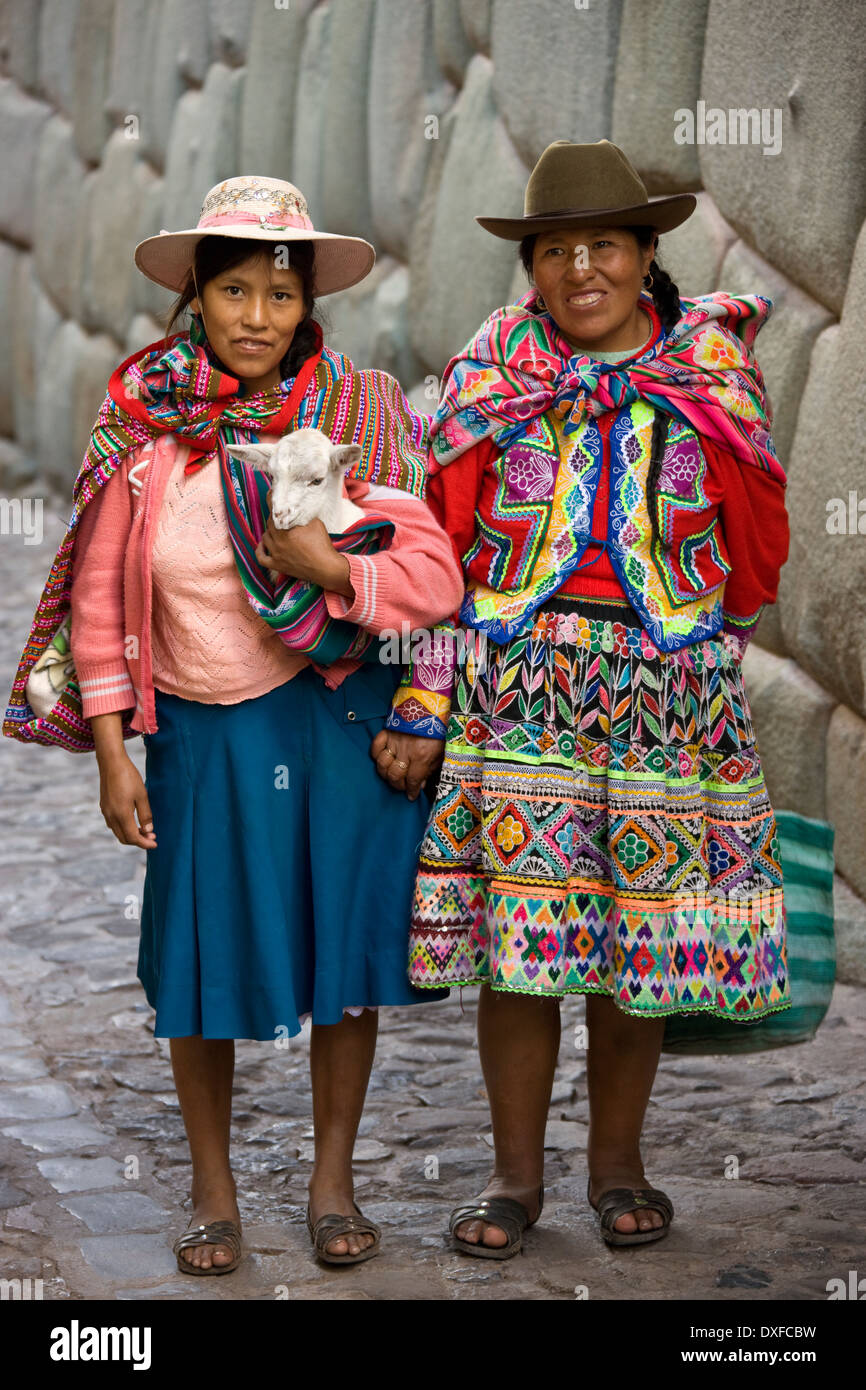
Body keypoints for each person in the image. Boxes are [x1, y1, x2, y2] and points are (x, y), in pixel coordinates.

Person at [5, 176, 463, 1272]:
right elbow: (105, 603)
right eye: (234, 289)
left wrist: (331, 580)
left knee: (343, 953)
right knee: (199, 954)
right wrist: (113, 752)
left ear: (307, 304)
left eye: (279, 291)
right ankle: (213, 1194)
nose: (257, 314)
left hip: (336, 715)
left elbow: (434, 574)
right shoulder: (146, 432)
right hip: (203, 735)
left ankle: (331, 1182)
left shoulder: (357, 417)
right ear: (195, 299)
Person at [375, 140, 791, 1256]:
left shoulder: (708, 371)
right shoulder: (491, 372)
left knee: (635, 944)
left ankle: (618, 1166)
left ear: (646, 253)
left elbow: (756, 549)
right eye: (553, 251)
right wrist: (423, 700)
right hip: (518, 690)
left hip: (664, 689)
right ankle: (513, 1179)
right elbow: (435, 545)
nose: (577, 270)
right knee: (519, 947)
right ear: (532, 267)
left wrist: (706, 640)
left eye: (600, 245)